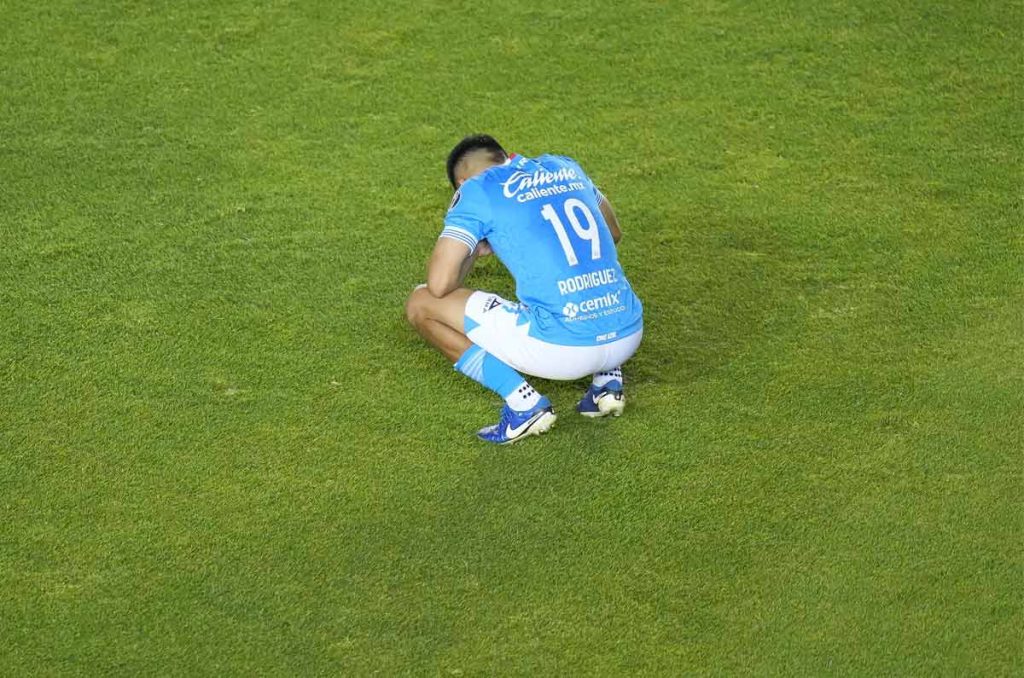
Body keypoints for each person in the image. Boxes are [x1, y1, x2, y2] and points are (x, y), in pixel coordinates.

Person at [405, 134, 644, 444]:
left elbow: (440, 285)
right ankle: (607, 382)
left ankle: (523, 403)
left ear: (461, 182)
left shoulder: (476, 190)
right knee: (585, 282)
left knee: (421, 303)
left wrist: (474, 248)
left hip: (565, 352)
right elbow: (613, 232)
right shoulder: (565, 166)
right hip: (629, 333)